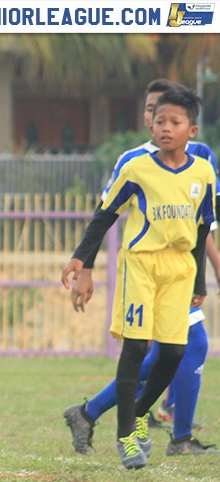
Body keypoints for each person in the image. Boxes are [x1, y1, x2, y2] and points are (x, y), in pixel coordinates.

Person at [63, 79, 219, 458]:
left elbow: (202, 230)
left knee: (175, 351)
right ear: (149, 122)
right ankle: (129, 436)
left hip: (181, 270)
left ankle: (119, 415)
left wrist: (202, 278)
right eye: (157, 118)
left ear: (191, 129)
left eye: (173, 120)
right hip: (142, 265)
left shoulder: (203, 169)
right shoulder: (134, 165)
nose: (164, 126)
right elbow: (104, 215)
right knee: (135, 348)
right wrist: (82, 262)